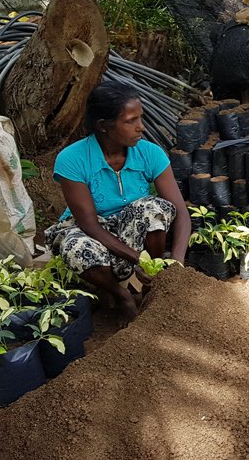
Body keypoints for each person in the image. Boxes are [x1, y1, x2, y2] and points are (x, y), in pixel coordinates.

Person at [45, 81, 190, 327]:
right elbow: (89, 224)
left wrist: (176, 261)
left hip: (129, 225)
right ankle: (120, 295)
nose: (140, 127)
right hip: (90, 227)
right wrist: (137, 258)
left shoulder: (150, 153)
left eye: (140, 118)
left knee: (154, 208)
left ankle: (152, 283)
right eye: (130, 120)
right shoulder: (72, 159)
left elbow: (181, 213)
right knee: (76, 247)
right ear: (104, 126)